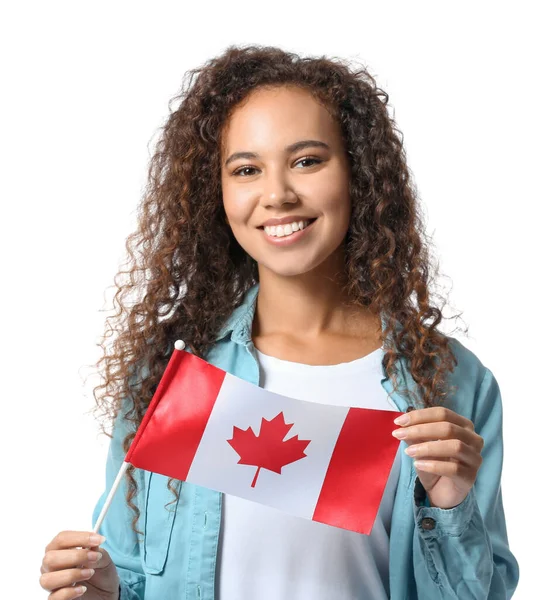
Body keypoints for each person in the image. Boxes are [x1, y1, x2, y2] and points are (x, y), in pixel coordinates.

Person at [39, 44, 519, 600]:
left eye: (307, 160)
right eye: (246, 169)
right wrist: (103, 590)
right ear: (215, 194)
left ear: (357, 173)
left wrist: (452, 505)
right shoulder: (170, 380)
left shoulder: (453, 380)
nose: (277, 195)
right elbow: (134, 577)